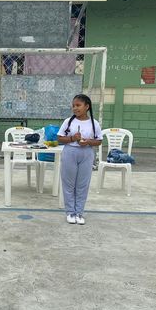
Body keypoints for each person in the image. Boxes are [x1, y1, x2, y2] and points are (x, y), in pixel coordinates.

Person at [57, 94, 102, 225]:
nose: (75, 108)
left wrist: (88, 142)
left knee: (82, 185)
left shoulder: (94, 123)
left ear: (87, 107)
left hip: (86, 153)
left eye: (78, 105)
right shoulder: (68, 122)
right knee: (69, 184)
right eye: (73, 106)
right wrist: (72, 138)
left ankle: (79, 213)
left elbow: (99, 141)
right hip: (70, 152)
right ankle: (70, 212)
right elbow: (59, 138)